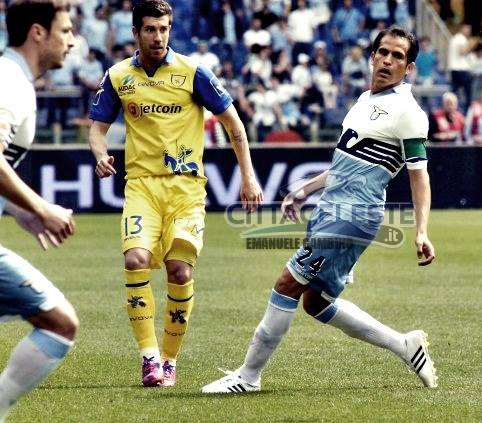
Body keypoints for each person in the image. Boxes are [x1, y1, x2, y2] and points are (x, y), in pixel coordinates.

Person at [202, 26, 438, 394]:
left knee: (287, 283)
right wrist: (305, 189)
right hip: (332, 209)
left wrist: (421, 230)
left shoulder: (409, 113)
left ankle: (248, 377)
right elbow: (346, 164)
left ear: (408, 68)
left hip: (353, 215)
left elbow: (419, 176)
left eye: (398, 56)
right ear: (372, 56)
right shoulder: (364, 100)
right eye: (383, 52)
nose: (388, 60)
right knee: (316, 302)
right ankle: (404, 345)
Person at [88, 0, 263, 388]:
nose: (158, 37)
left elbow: (234, 124)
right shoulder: (118, 76)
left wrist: (248, 177)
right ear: (136, 33)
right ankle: (149, 357)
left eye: (164, 29)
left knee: (179, 271)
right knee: (135, 259)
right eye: (150, 29)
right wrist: (100, 155)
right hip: (141, 187)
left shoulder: (194, 73)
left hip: (186, 189)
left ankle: (169, 360)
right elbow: (97, 128)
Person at [0, 1, 77, 420]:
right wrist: (41, 207)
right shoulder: (9, 81)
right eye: (65, 31)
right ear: (37, 32)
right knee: (59, 323)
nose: (72, 41)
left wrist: (18, 210)